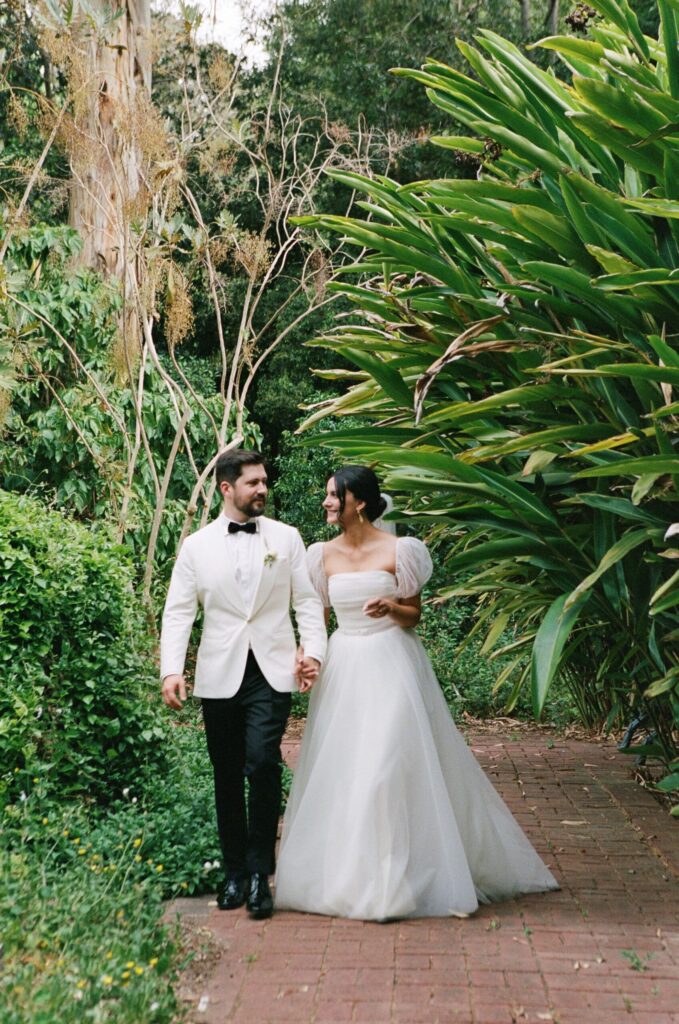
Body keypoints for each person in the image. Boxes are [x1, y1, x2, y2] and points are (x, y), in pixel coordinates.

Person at [275, 465, 558, 920]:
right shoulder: (319, 556)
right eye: (327, 496)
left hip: (392, 663)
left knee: (387, 766)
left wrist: (391, 606)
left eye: (334, 496)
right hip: (346, 668)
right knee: (350, 769)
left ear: (359, 503)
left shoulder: (401, 551)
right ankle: (356, 879)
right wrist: (308, 657)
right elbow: (318, 622)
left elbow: (413, 616)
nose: (327, 502)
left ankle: (394, 883)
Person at [160, 449, 326, 919]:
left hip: (272, 671)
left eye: (264, 480)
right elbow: (178, 612)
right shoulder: (196, 546)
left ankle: (260, 875)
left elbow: (308, 602)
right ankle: (233, 873)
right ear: (226, 488)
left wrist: (312, 651)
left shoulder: (287, 539)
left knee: (263, 763)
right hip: (219, 674)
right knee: (227, 774)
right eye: (253, 482)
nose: (263, 489)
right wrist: (172, 669)